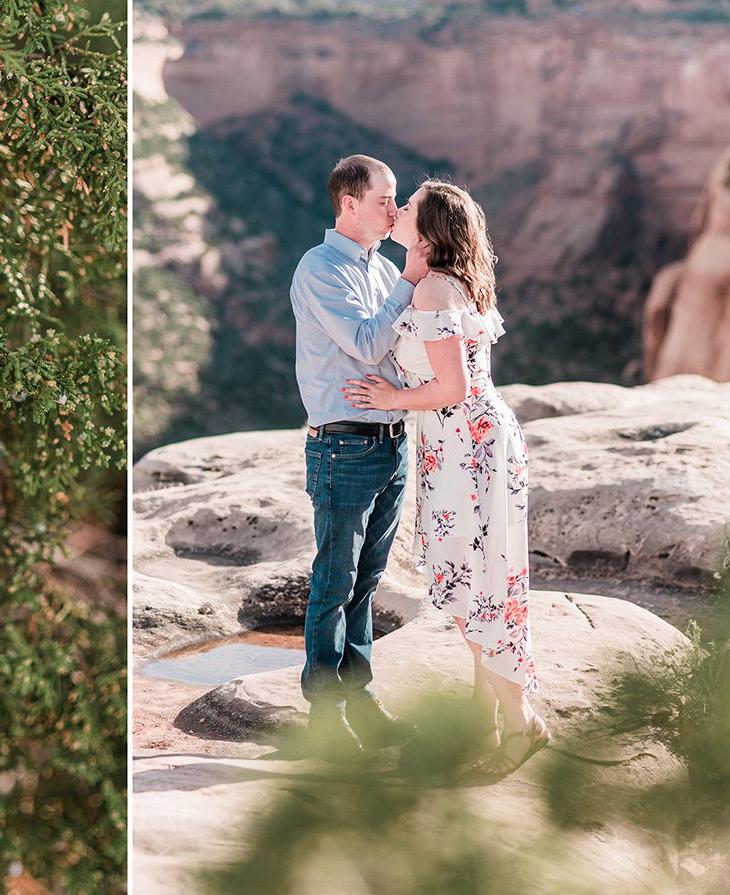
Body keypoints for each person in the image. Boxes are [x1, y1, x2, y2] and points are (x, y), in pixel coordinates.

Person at [343, 179, 549, 776]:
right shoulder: (448, 282)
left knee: (473, 590)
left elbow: (452, 388)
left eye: (407, 206)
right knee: (482, 584)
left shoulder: (435, 289)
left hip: (465, 447)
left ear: (430, 229)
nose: (397, 209)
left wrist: (390, 395)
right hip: (471, 443)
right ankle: (484, 716)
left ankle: (522, 724)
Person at [289, 154, 430, 755]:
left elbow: (395, 349)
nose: (394, 212)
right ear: (349, 204)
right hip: (343, 445)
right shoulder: (322, 268)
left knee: (368, 580)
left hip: (390, 440)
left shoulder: (376, 269)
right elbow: (370, 343)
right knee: (335, 579)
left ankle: (359, 696)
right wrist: (411, 276)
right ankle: (324, 713)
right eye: (384, 200)